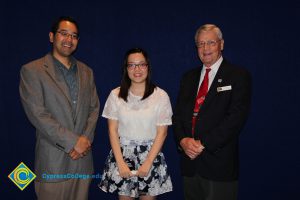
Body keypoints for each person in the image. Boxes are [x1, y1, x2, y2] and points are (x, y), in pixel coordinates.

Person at [19, 16, 100, 200]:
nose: (69, 40)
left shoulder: (87, 72)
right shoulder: (32, 70)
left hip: (82, 163)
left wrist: (85, 140)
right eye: (64, 34)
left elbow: (94, 108)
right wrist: (74, 142)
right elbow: (38, 114)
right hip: (52, 164)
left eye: (74, 36)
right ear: (51, 36)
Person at [173, 24, 252, 200]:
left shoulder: (238, 75)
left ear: (221, 44)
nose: (206, 48)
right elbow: (177, 116)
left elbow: (236, 119)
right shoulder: (188, 77)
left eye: (211, 42)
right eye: (201, 44)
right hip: (190, 166)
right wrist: (183, 141)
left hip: (219, 166)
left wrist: (203, 143)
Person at [98, 48, 173, 199]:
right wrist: (120, 163)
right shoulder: (115, 95)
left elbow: (162, 133)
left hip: (151, 156)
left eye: (141, 64)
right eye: (131, 65)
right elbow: (112, 131)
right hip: (123, 156)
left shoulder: (160, 95)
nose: (137, 69)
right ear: (126, 69)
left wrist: (148, 162)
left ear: (148, 67)